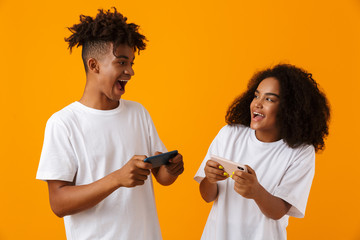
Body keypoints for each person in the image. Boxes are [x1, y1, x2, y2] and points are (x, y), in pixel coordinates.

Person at [36, 8, 184, 240]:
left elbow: (162, 178)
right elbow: (58, 203)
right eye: (122, 62)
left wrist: (172, 168)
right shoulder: (63, 123)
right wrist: (116, 178)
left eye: (132, 62)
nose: (131, 71)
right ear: (94, 66)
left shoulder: (139, 113)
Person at [194, 64, 330, 240]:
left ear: (290, 109)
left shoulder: (300, 152)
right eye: (256, 96)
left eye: (270, 99)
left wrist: (256, 191)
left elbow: (278, 212)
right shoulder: (229, 134)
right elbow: (207, 196)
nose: (257, 104)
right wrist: (210, 179)